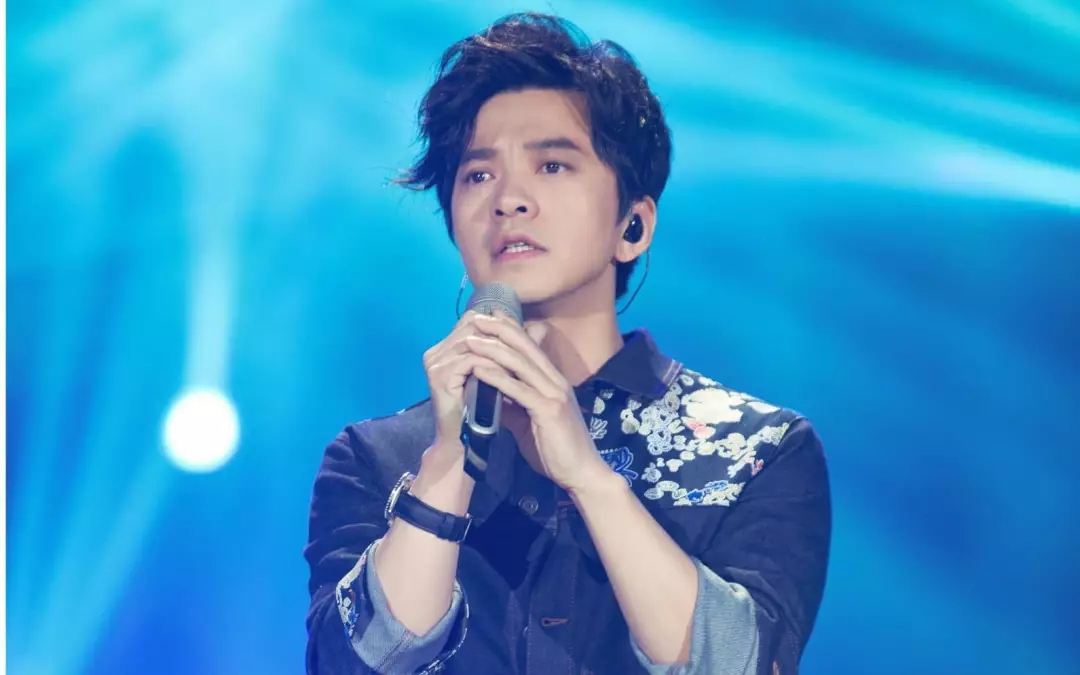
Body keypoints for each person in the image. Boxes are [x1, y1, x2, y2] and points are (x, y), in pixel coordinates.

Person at [303, 12, 831, 675]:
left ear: (632, 226)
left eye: (552, 165)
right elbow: (352, 665)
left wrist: (588, 476)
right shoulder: (377, 459)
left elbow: (737, 666)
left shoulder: (756, 448)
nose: (509, 199)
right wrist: (447, 467)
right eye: (477, 176)